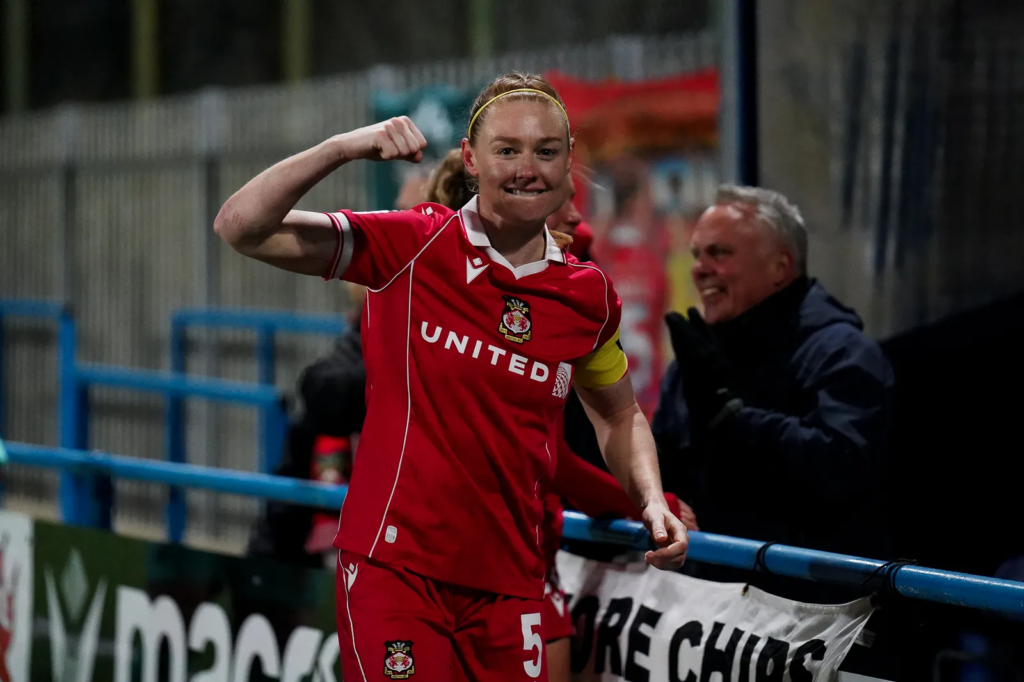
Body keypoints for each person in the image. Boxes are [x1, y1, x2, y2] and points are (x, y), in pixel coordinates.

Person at [214, 71, 688, 682]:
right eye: (507, 150)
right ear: (471, 158)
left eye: (546, 151)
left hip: (514, 585)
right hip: (397, 574)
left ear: (569, 163)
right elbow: (240, 226)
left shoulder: (587, 295)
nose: (527, 168)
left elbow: (618, 415)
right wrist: (344, 147)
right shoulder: (414, 243)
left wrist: (650, 500)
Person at [422, 146, 698, 682]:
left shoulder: (572, 284)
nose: (578, 218)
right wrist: (645, 503)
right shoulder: (456, 295)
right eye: (563, 202)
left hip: (522, 560)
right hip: (467, 563)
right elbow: (545, 457)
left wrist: (645, 500)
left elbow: (587, 432)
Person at [652, 183, 894, 603]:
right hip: (706, 616)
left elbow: (842, 470)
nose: (700, 268)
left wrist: (732, 418)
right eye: (697, 255)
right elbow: (660, 470)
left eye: (720, 253)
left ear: (780, 267)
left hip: (811, 625)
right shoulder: (693, 362)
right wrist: (661, 503)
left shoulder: (842, 353)